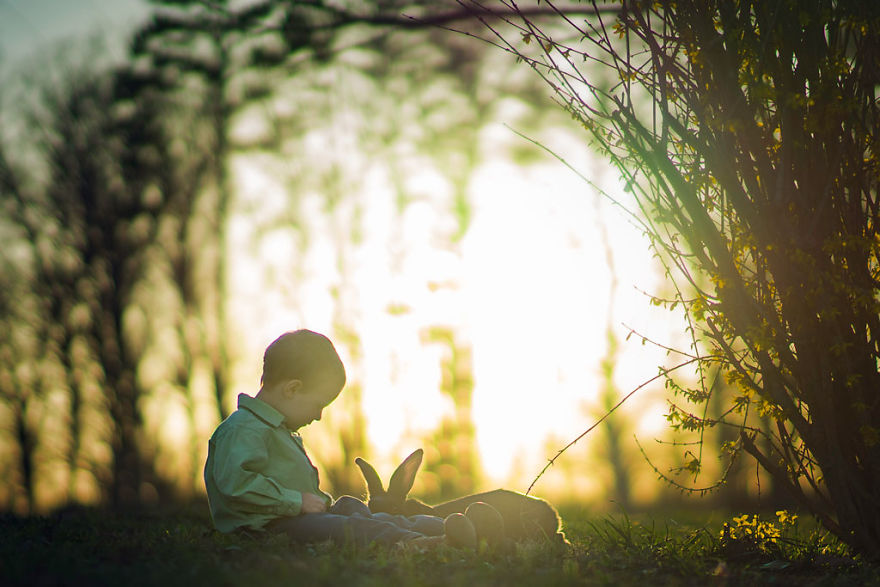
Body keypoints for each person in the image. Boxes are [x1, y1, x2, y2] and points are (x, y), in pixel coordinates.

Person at [203, 329, 477, 549]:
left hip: (293, 518)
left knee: (354, 507)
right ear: (293, 389)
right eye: (319, 404)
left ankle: (450, 526)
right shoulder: (243, 430)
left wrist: (313, 503)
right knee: (352, 526)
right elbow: (235, 485)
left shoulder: (275, 430)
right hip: (265, 529)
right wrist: (296, 502)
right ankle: (420, 543)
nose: (319, 416)